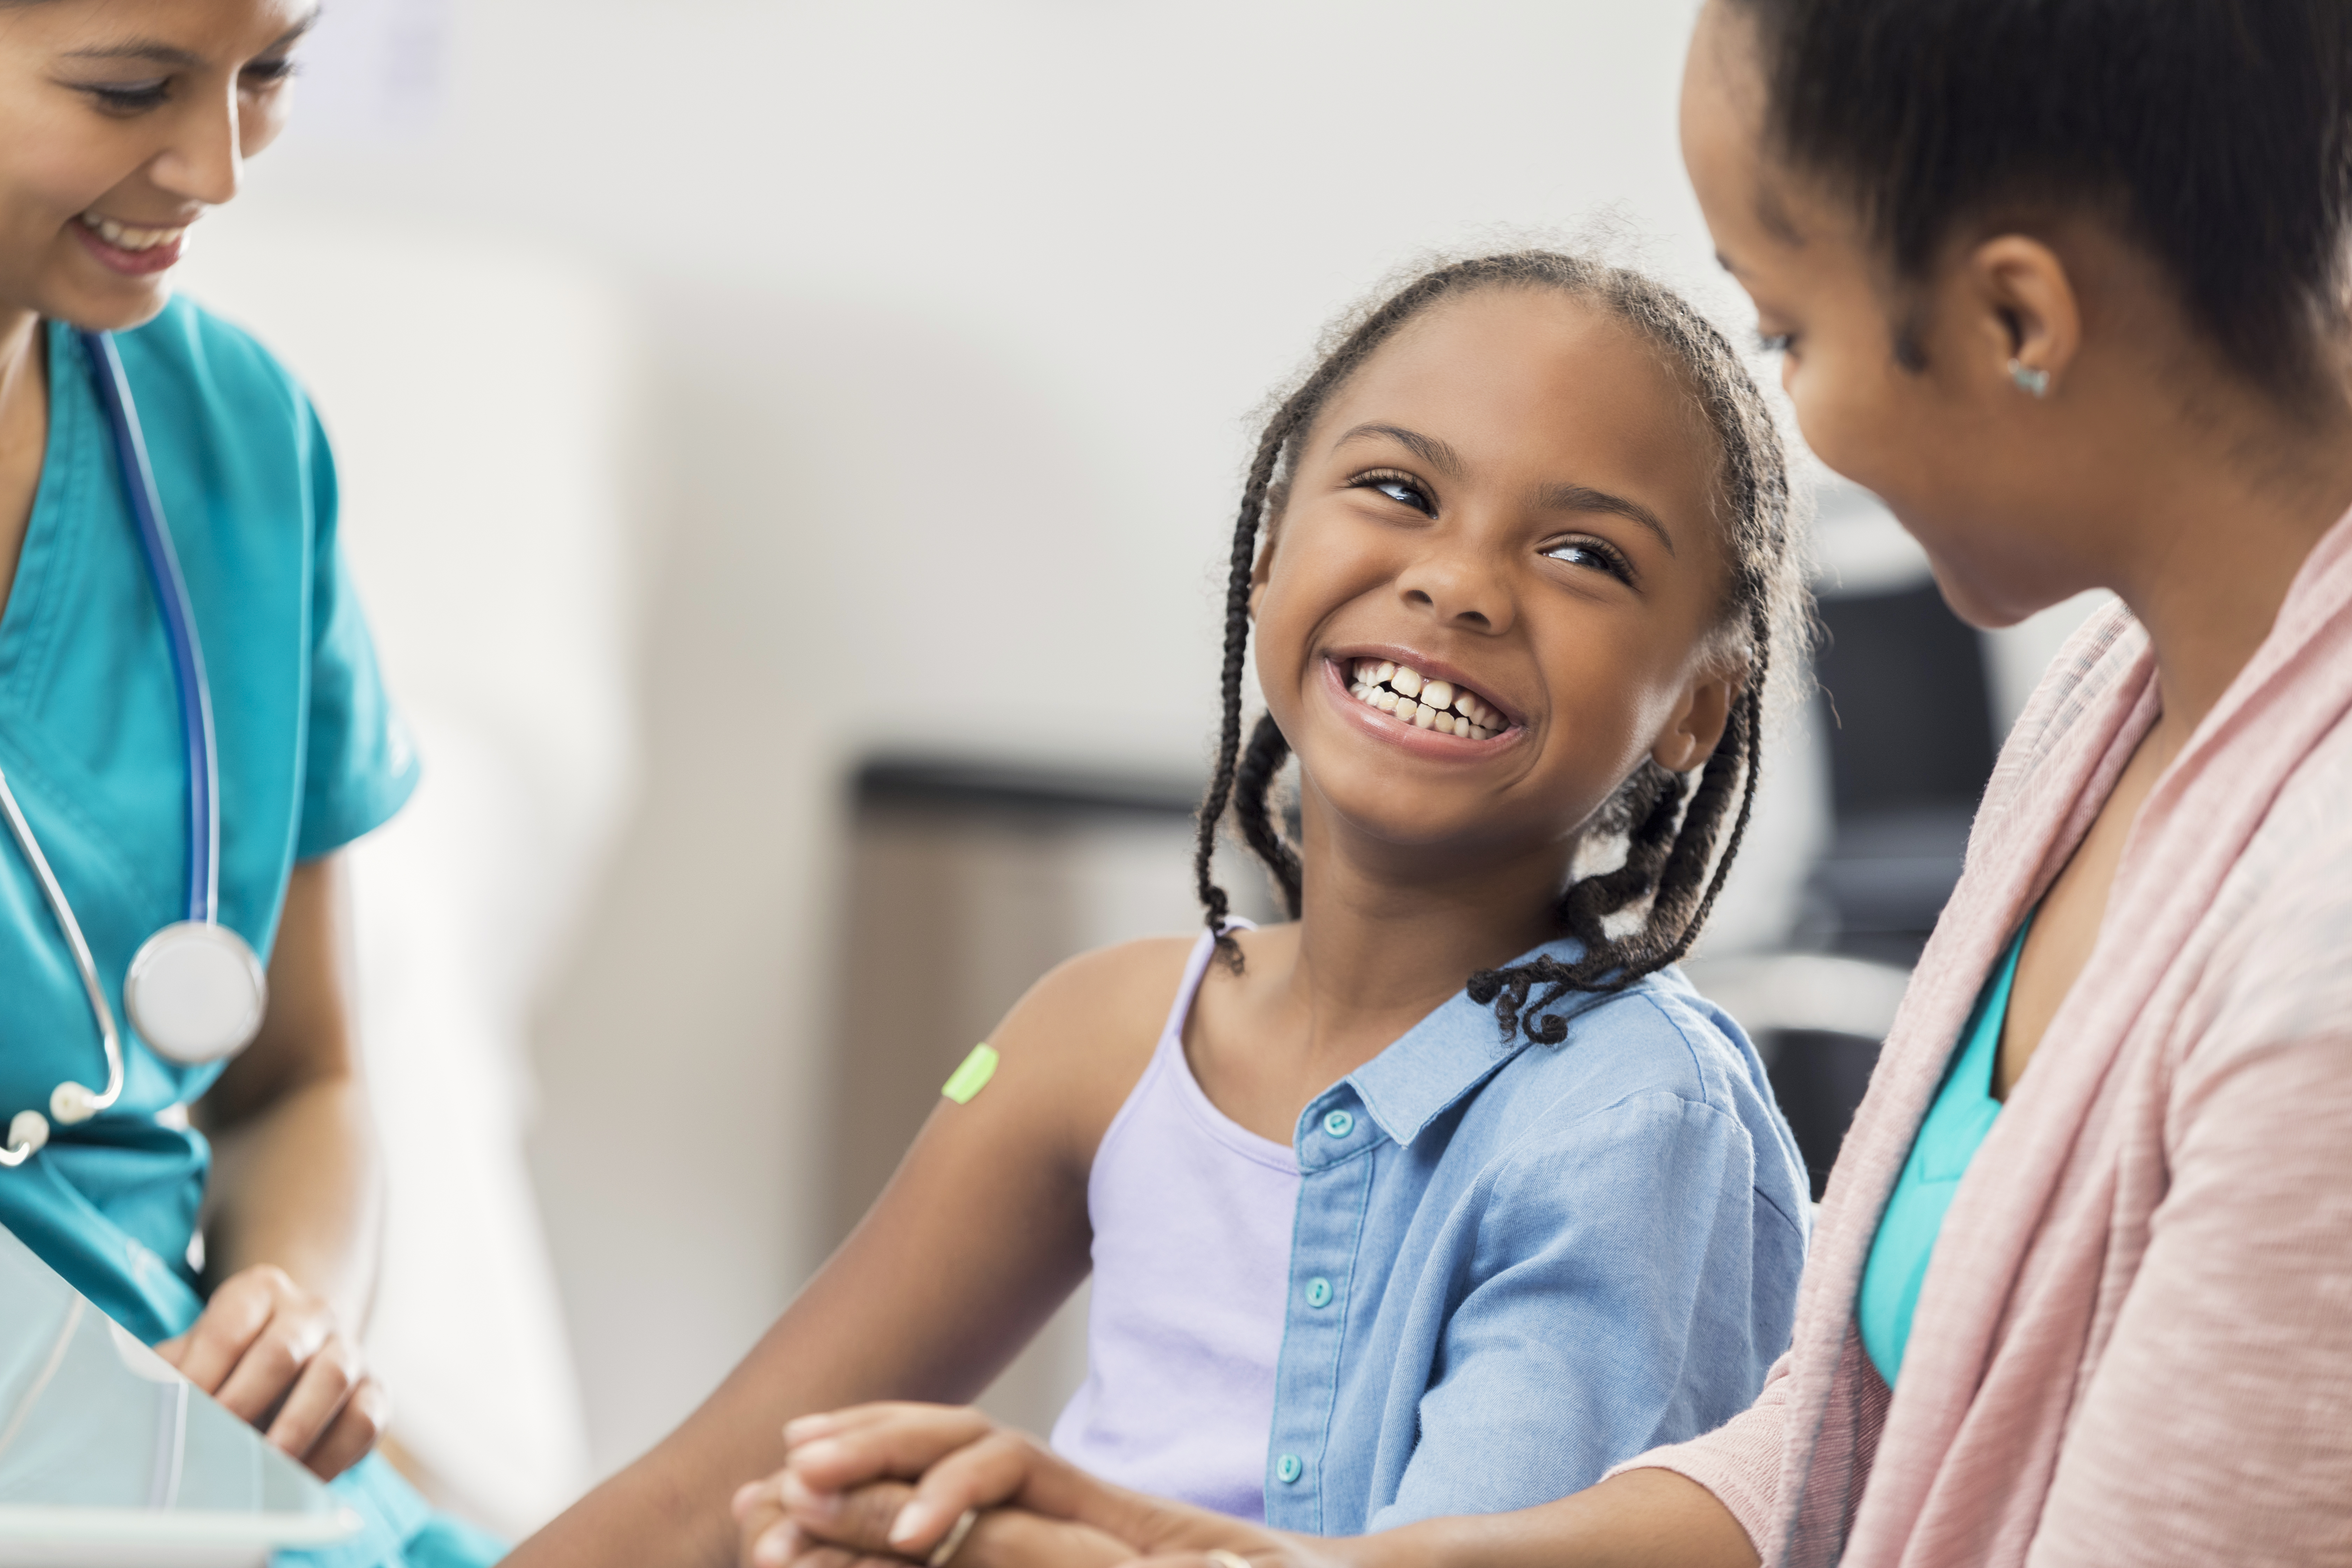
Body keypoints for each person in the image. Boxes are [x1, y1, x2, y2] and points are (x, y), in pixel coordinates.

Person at [743, 1, 2352, 1565]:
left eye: (1789, 327)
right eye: (1392, 489)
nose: (1799, 413)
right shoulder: (2118, 707)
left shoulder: (2318, 954)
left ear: (2017, 319)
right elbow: (1851, 1442)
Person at [515, 248, 1813, 1568]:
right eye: (1396, 490)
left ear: (1699, 701)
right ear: (1266, 554)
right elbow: (706, 1494)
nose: (1459, 583)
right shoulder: (1099, 1031)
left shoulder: (1633, 1127)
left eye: (1585, 554)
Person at [0, 3, 502, 1563]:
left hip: (180, 1480)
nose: (216, 167)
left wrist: (291, 1308)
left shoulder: (239, 441)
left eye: (270, 72)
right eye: (134, 87)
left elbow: (299, 1082)